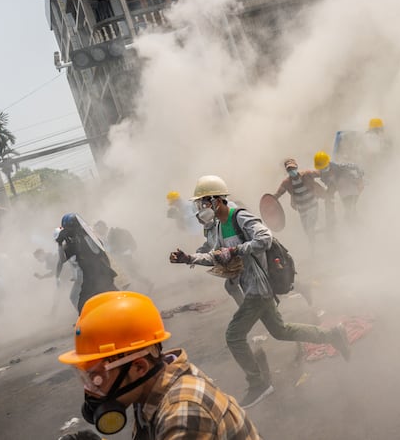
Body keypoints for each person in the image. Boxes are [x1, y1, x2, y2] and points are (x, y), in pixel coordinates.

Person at [169, 175, 350, 409]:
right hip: (249, 286)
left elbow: (264, 237)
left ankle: (259, 384)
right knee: (280, 331)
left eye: (204, 202)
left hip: (258, 287)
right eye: (199, 203)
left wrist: (235, 250)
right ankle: (333, 335)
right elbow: (214, 254)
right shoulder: (213, 227)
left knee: (234, 336)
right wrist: (188, 258)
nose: (201, 208)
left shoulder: (239, 217)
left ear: (217, 200)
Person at [59, 290, 261, 438]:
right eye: (84, 376)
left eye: (96, 377)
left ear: (139, 367)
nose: (90, 389)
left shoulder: (183, 414)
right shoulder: (149, 394)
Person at [57, 213, 118, 312]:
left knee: (112, 298)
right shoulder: (73, 242)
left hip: (101, 274)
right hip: (89, 278)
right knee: (83, 306)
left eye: (68, 228)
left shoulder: (89, 236)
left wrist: (82, 236)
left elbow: (96, 251)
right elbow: (63, 259)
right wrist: (60, 244)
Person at [273, 158, 325, 247]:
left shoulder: (307, 174)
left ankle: (318, 232)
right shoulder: (286, 182)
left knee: (311, 223)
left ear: (296, 168)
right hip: (301, 208)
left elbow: (321, 173)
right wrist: (271, 200)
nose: (291, 171)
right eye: (289, 169)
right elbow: (278, 193)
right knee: (307, 230)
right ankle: (313, 245)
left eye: (293, 168)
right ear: (287, 171)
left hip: (312, 204)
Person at [94, 220, 154, 294]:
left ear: (103, 227)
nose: (98, 231)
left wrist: (122, 254)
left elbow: (118, 247)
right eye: (97, 229)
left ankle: (148, 284)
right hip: (119, 259)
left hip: (123, 257)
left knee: (130, 275)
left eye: (99, 228)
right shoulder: (106, 236)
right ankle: (147, 285)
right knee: (129, 276)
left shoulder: (113, 233)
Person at [313, 151, 364, 224]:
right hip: (340, 189)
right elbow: (328, 184)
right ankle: (332, 223)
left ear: (328, 163)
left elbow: (356, 167)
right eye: (321, 169)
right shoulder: (323, 174)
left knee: (350, 209)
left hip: (350, 187)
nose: (323, 170)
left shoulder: (339, 167)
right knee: (331, 201)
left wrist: (360, 180)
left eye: (325, 167)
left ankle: (357, 224)